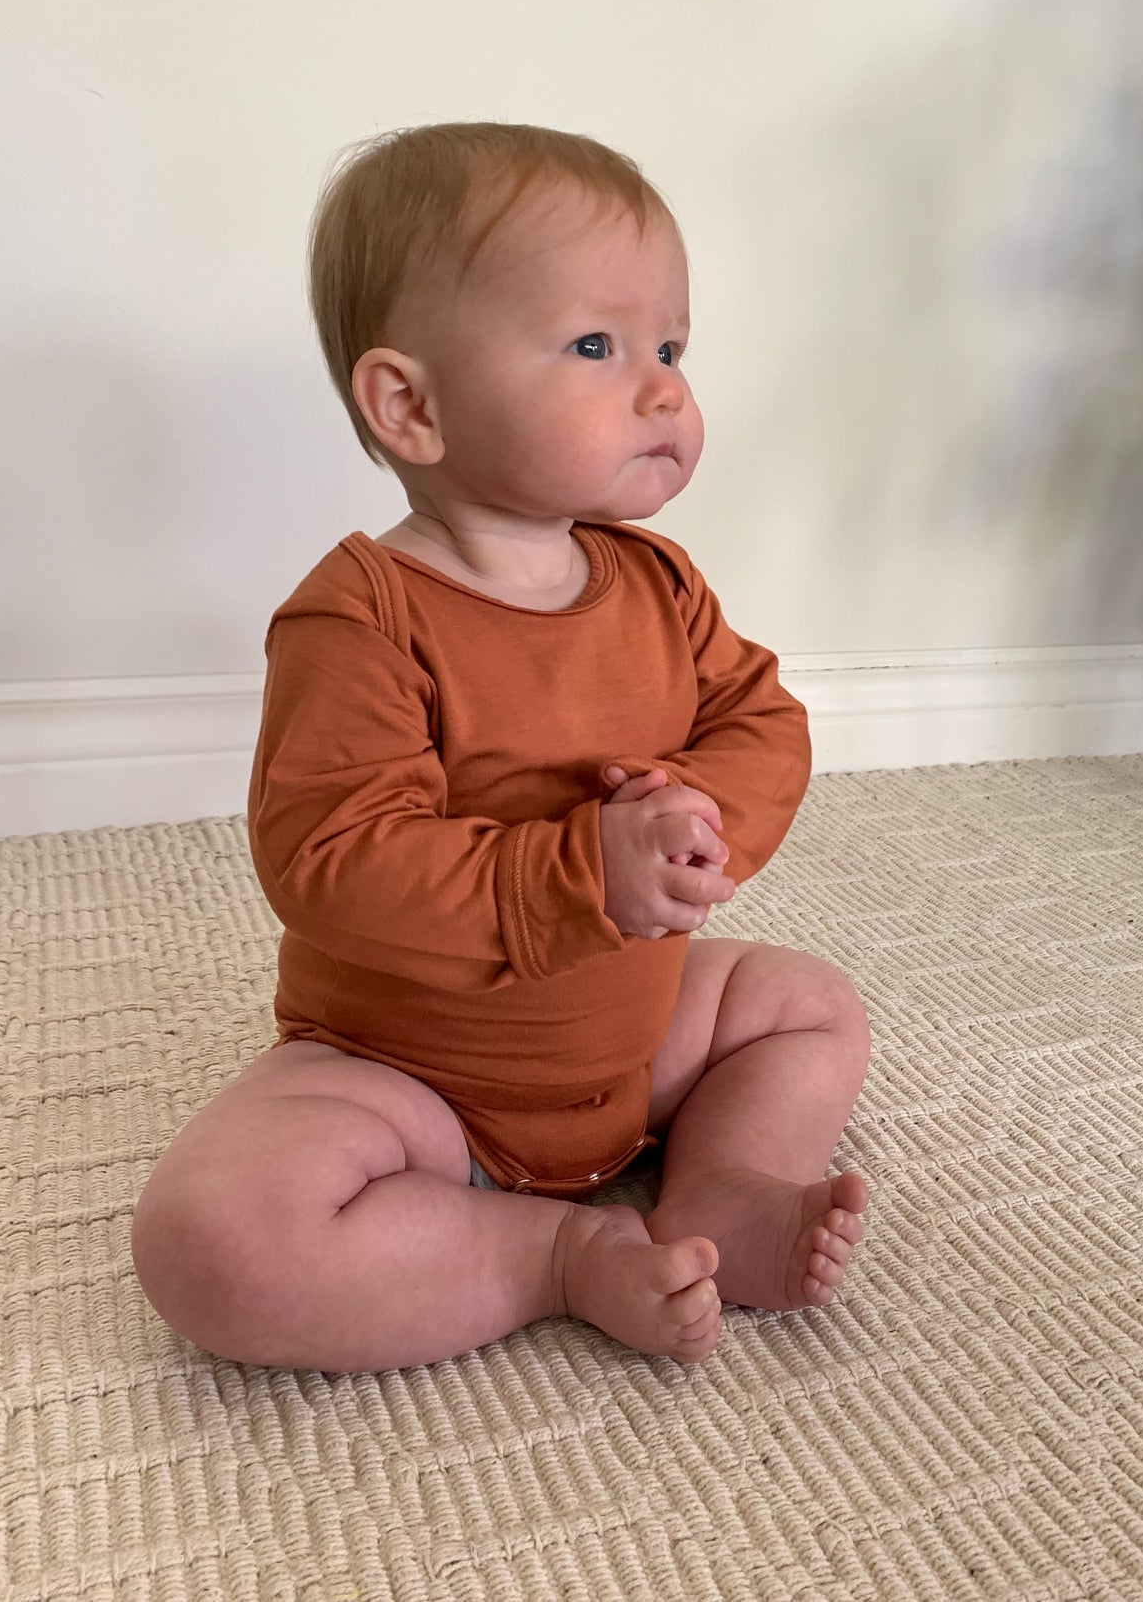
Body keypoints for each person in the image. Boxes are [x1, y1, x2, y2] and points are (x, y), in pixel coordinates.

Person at [130, 122, 871, 1371]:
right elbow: (331, 855)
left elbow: (761, 720)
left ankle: (722, 1188)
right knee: (214, 1241)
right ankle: (547, 1254)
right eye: (596, 346)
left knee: (807, 1007)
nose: (664, 390)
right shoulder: (360, 613)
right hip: (414, 1077)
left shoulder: (655, 580)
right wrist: (582, 871)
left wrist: (697, 811)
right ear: (409, 403)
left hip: (629, 1042)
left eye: (670, 348)